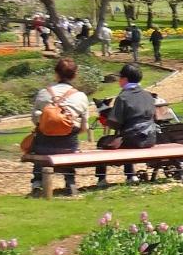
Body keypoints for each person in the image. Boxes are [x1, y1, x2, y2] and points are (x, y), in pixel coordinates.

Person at [29, 58, 91, 197]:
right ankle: (70, 182)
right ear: (75, 75)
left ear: (56, 74)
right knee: (70, 144)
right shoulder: (81, 96)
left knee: (39, 144)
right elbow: (84, 127)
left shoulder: (43, 93)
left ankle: (37, 183)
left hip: (43, 146)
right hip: (69, 146)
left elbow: (34, 120)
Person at [94, 64, 157, 187]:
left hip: (132, 139)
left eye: (120, 77)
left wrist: (107, 120)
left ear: (125, 79)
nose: (119, 80)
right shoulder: (148, 95)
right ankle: (130, 175)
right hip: (150, 138)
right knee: (125, 137)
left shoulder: (123, 97)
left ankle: (101, 179)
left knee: (103, 141)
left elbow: (115, 123)